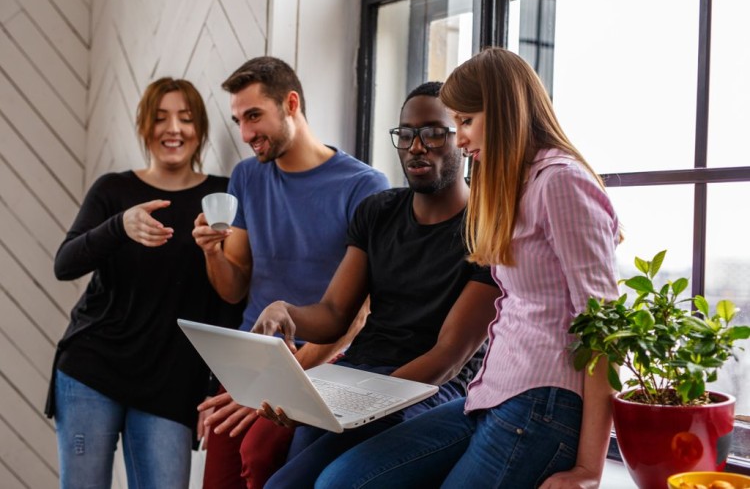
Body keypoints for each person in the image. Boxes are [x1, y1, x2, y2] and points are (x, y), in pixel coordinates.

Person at [315, 48, 621, 489]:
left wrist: (590, 470)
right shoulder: (519, 185)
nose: (459, 139)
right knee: (342, 481)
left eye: (466, 121)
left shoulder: (561, 182)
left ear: (504, 113)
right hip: (489, 392)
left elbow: (604, 331)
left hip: (541, 403)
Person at [251, 81, 502, 489]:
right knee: (280, 458)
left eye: (433, 133)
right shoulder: (379, 211)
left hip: (426, 390)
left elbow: (448, 357)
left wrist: (364, 399)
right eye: (406, 134)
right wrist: (285, 311)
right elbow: (333, 315)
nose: (416, 146)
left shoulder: (485, 230)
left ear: (463, 138)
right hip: (359, 372)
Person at [191, 56, 390, 489]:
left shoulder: (365, 186)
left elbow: (358, 315)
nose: (246, 134)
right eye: (239, 120)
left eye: (255, 116)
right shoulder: (247, 177)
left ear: (291, 103)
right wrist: (211, 253)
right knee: (219, 474)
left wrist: (279, 380)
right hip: (250, 356)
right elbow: (233, 288)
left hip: (320, 359)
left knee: (260, 458)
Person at [47, 77, 243, 488]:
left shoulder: (222, 197)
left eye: (185, 119)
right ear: (144, 127)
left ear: (200, 129)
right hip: (93, 368)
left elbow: (231, 299)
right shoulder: (115, 190)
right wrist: (119, 225)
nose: (173, 129)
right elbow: (64, 265)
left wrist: (213, 385)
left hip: (172, 379)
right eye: (161, 118)